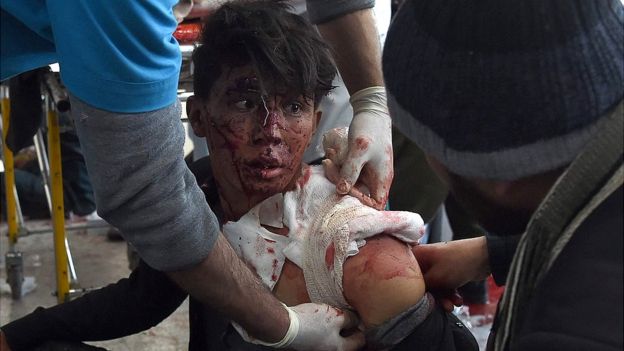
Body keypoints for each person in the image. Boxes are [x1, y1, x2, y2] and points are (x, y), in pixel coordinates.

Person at [0, 2, 478, 350]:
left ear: (315, 122)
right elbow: (145, 297)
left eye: (293, 107)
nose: (271, 132)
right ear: (199, 118)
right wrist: (15, 335)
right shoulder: (200, 192)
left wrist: (372, 100)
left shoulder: (355, 251)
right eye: (246, 102)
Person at [382, 0, 623, 350]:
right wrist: (497, 253)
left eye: (425, 149)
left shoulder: (572, 330)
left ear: (497, 178)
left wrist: (411, 328)